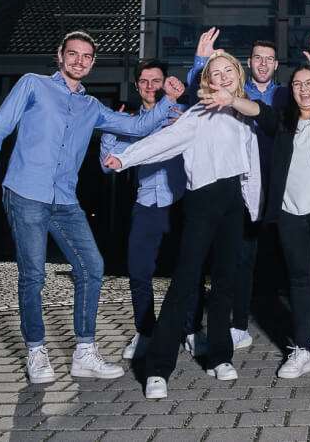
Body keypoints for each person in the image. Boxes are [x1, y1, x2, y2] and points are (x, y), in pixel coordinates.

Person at [0, 31, 184, 384]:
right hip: (26, 192)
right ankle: (36, 351)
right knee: (34, 274)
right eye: (73, 54)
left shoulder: (91, 107)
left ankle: (84, 352)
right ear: (60, 56)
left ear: (92, 63)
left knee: (92, 266)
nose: (79, 61)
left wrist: (168, 101)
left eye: (86, 57)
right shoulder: (33, 85)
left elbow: (137, 125)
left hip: (65, 200)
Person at [109, 50, 261, 400]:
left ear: (238, 78)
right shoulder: (196, 115)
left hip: (232, 204)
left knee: (225, 283)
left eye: (228, 72)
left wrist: (253, 209)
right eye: (215, 72)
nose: (222, 76)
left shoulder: (243, 118)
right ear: (207, 81)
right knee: (184, 283)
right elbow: (162, 144)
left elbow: (251, 169)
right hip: (201, 203)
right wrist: (125, 158)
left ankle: (219, 356)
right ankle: (158, 369)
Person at [204, 54, 310, 380]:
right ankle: (302, 349)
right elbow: (257, 110)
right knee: (299, 280)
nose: (303, 89)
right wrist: (230, 98)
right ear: (291, 90)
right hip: (289, 213)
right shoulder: (283, 122)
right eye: (297, 84)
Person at [186, 31, 286, 350]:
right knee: (223, 258)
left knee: (255, 258)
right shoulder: (231, 88)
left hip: (269, 188)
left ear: (276, 64)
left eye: (269, 59)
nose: (263, 63)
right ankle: (208, 326)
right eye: (258, 57)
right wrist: (202, 60)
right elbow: (198, 92)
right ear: (248, 62)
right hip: (228, 185)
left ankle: (241, 323)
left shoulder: (282, 95)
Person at [100, 59, 187, 361]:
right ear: (137, 87)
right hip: (146, 204)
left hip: (180, 202)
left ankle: (187, 329)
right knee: (139, 271)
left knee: (188, 271)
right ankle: (145, 332)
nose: (151, 87)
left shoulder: (182, 114)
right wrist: (111, 129)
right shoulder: (129, 123)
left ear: (166, 84)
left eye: (156, 80)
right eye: (145, 82)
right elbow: (106, 165)